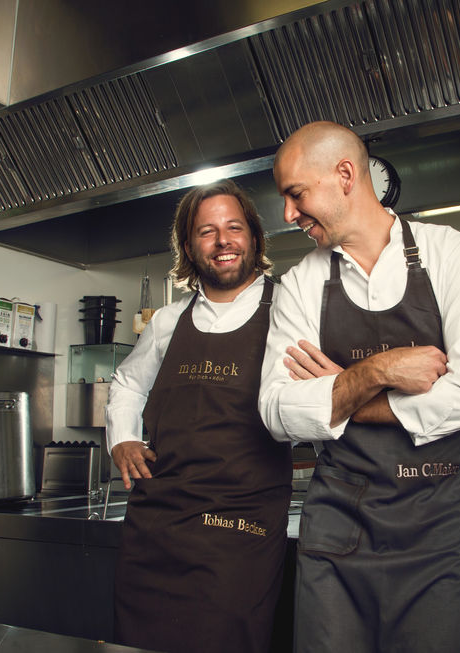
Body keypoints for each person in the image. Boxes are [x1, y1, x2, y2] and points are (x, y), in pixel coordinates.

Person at [259, 121, 460, 653]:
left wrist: (336, 393)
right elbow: (276, 412)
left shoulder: (450, 253)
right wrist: (378, 371)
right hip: (342, 524)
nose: (288, 215)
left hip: (444, 529)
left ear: (345, 175)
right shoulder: (301, 283)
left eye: (295, 195)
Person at [107, 179, 292, 653]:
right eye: (207, 231)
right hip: (157, 529)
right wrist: (122, 439)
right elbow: (127, 383)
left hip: (238, 530)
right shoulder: (167, 321)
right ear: (189, 247)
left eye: (234, 227)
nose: (223, 240)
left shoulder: (289, 310)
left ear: (253, 236)